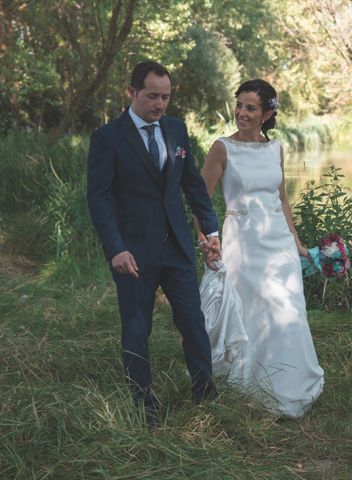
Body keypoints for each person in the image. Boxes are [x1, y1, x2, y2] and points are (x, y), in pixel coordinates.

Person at [86, 61, 221, 425]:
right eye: (152, 96)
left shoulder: (176, 129)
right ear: (131, 93)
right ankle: (142, 400)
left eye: (165, 96)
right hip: (132, 252)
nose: (160, 104)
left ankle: (205, 393)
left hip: (176, 246)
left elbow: (193, 185)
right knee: (136, 325)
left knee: (193, 321)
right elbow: (98, 199)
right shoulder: (108, 137)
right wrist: (115, 247)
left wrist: (211, 232)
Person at [199, 79, 324, 418]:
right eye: (239, 105)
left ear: (267, 113)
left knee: (288, 309)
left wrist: (296, 242)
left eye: (250, 108)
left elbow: (281, 198)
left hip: (278, 241)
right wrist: (207, 240)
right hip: (243, 242)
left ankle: (290, 386)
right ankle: (249, 385)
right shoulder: (222, 148)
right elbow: (200, 200)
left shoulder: (276, 149)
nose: (241, 113)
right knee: (253, 311)